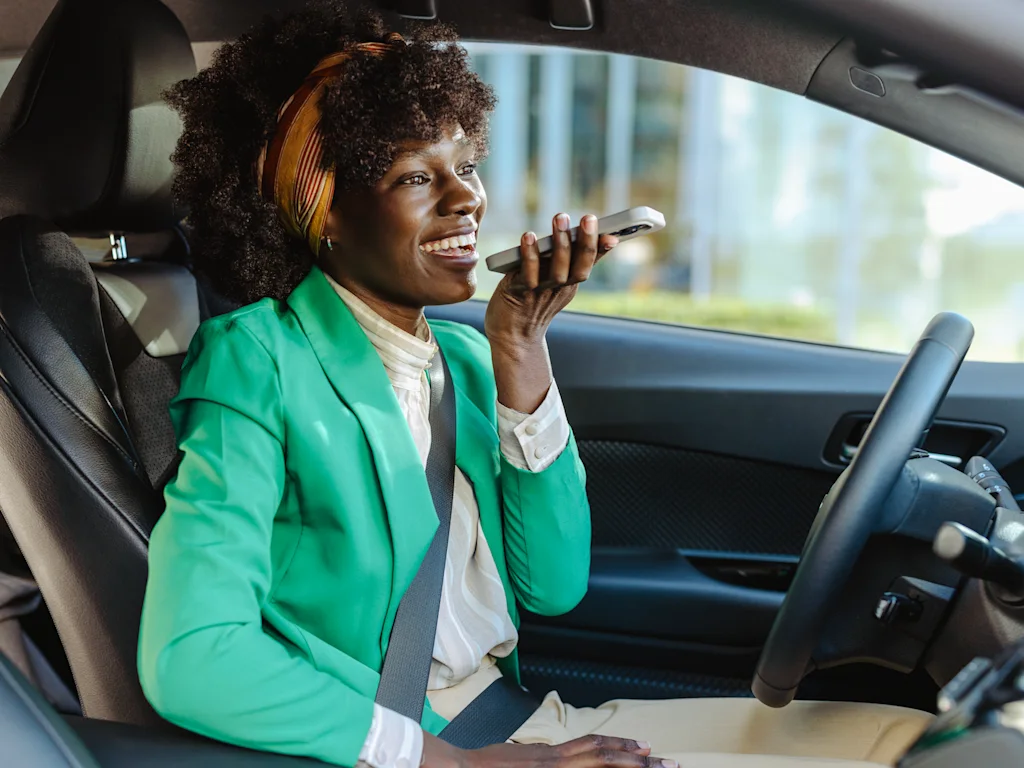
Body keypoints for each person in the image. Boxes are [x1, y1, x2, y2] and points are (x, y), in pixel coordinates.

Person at [137, 3, 931, 767]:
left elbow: (553, 588)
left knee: (918, 742)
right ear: (325, 212)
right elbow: (194, 657)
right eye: (418, 177)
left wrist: (521, 346)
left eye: (468, 165)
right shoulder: (258, 356)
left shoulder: (470, 358)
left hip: (522, 720)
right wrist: (444, 762)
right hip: (429, 744)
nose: (467, 199)